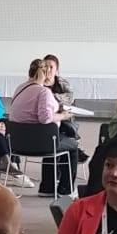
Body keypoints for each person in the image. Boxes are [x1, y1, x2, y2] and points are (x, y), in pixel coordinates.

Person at [9, 58, 81, 196]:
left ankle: (47, 188)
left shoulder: (19, 88)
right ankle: (66, 190)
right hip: (39, 143)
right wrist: (63, 116)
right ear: (45, 73)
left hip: (17, 143)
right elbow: (45, 118)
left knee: (54, 139)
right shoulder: (43, 92)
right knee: (71, 144)